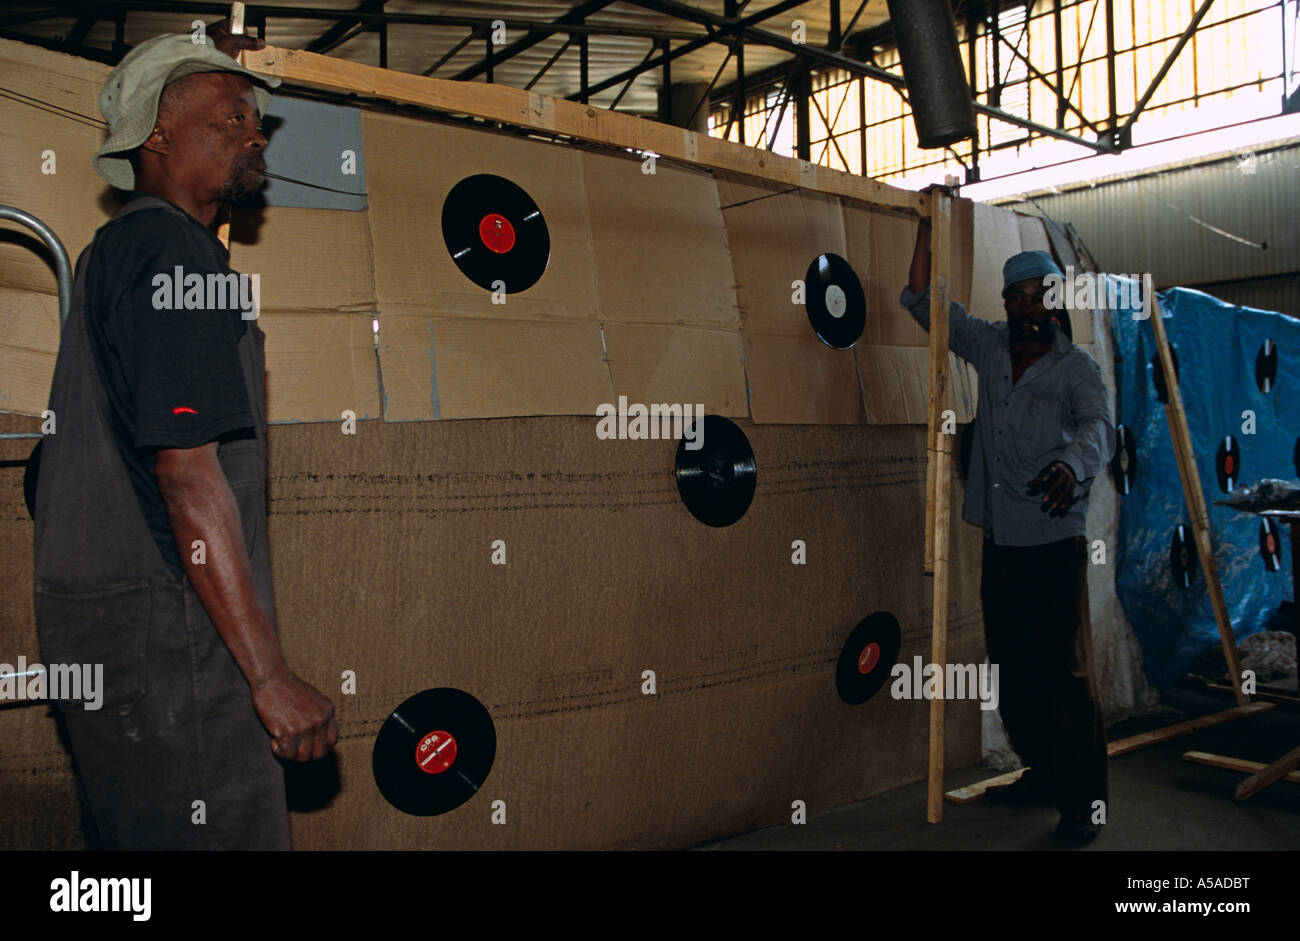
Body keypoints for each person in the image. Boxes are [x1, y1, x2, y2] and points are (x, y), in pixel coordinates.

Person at [31, 23, 338, 850]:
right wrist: (268, 677)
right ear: (156, 139)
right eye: (227, 121)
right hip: (175, 649)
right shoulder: (176, 261)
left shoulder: (114, 255)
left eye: (253, 121)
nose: (252, 135)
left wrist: (217, 63)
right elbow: (186, 476)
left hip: (109, 638)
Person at [901, 185, 1113, 842]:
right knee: (1013, 670)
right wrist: (925, 225)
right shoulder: (989, 348)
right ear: (1007, 305)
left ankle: (1082, 802)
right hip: (1003, 545)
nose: (1028, 309)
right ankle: (1042, 771)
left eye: (1040, 299)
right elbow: (920, 303)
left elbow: (1099, 428)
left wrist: (1070, 465)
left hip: (1053, 545)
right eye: (1018, 299)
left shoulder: (1074, 369)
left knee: (1063, 674)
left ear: (1055, 307)